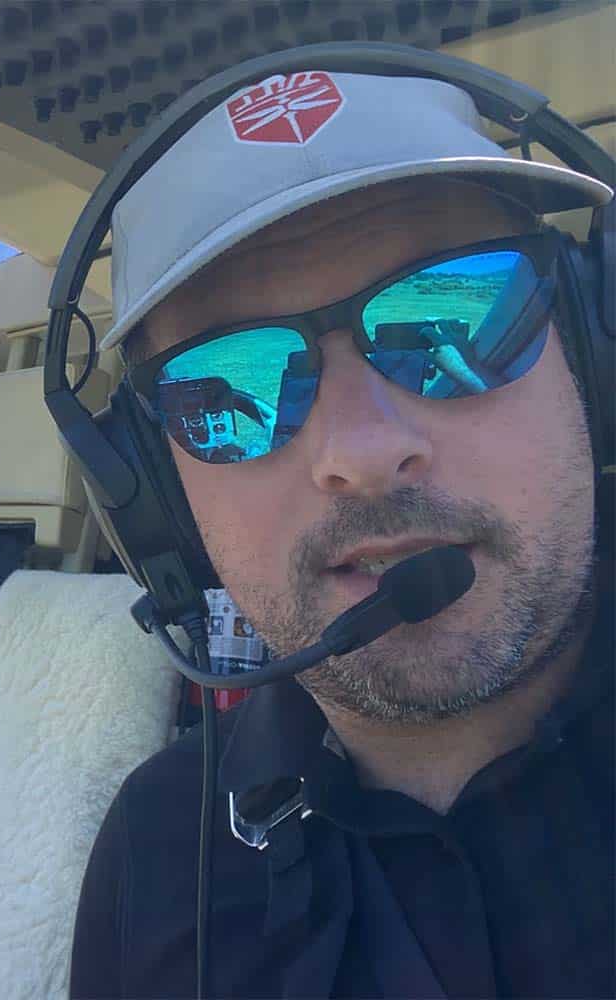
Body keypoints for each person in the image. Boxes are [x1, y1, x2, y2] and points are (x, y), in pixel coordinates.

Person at [65, 66, 614, 998]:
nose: (360, 452)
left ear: (591, 355)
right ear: (156, 492)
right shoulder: (157, 852)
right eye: (229, 388)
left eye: (453, 316)